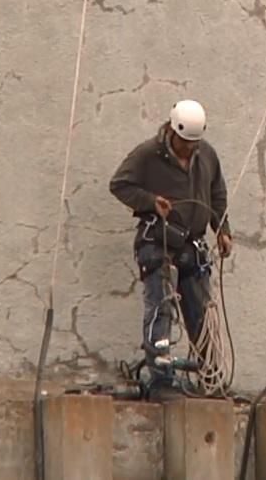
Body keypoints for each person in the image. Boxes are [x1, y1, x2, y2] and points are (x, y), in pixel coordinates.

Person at [108, 99, 233, 398]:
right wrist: (151, 202)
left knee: (202, 313)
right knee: (161, 308)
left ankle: (209, 378)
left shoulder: (207, 155)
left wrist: (222, 230)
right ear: (172, 131)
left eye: (194, 143)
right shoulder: (148, 154)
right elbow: (120, 184)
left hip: (193, 246)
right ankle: (161, 381)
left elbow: (217, 193)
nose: (190, 148)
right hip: (158, 243)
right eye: (185, 142)